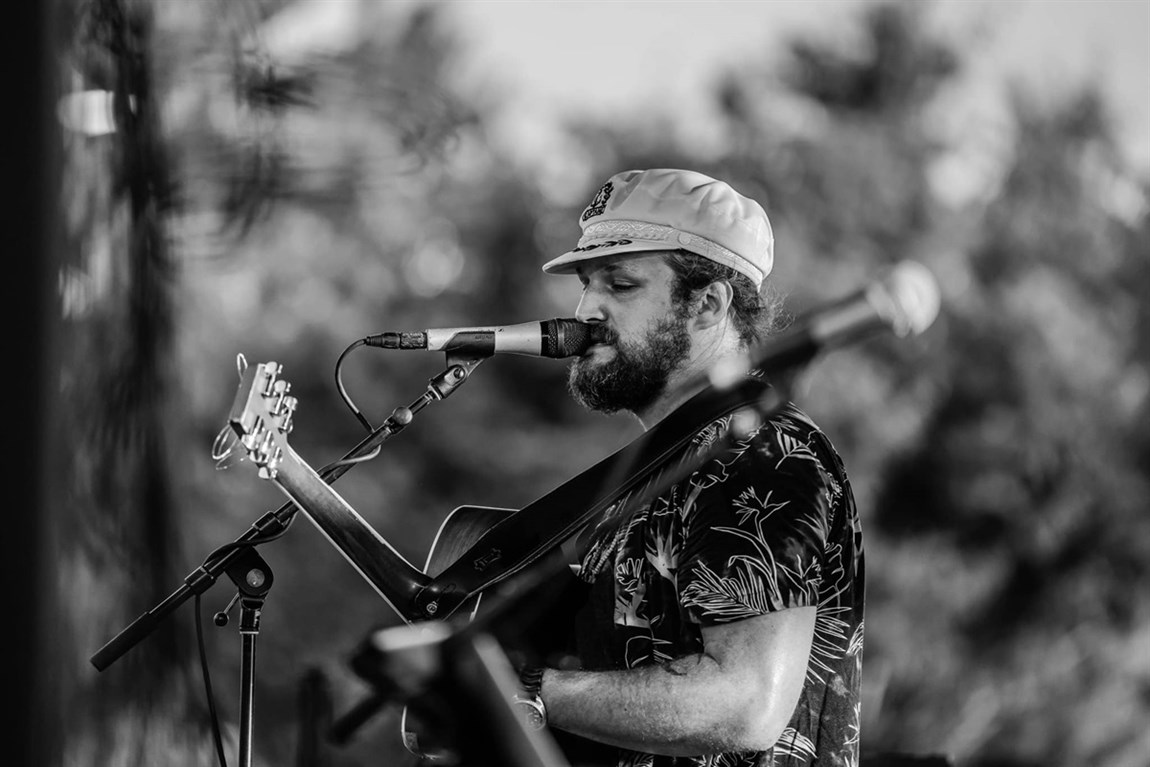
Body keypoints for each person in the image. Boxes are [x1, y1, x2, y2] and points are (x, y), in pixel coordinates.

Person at [511, 168, 865, 767]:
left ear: (707, 304)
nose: (586, 309)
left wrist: (529, 694)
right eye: (587, 284)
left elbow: (745, 704)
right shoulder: (678, 463)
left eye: (621, 284)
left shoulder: (758, 455)